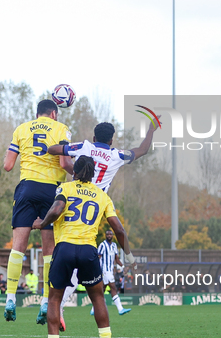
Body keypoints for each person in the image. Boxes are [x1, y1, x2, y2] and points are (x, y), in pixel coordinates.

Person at [48, 119, 158, 326]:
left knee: (65, 253)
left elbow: (53, 150)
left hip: (71, 201)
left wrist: (63, 144)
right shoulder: (117, 155)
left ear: (94, 138)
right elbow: (142, 150)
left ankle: (54, 304)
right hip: (96, 205)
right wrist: (152, 128)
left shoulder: (84, 146)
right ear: (112, 139)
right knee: (86, 264)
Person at [31, 156, 136, 338]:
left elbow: (57, 209)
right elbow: (119, 230)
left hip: (65, 250)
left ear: (74, 172)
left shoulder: (66, 188)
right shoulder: (102, 196)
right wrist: (129, 256)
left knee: (54, 298)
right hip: (88, 251)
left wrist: (41, 223)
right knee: (97, 298)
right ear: (93, 174)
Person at [2, 99, 74, 323]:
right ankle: (45, 302)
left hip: (26, 187)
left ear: (38, 113)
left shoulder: (21, 129)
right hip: (51, 190)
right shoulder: (61, 129)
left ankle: (10, 298)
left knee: (18, 247)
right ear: (53, 113)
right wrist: (81, 172)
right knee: (49, 251)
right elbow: (64, 164)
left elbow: (8, 165)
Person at [89, 230, 131, 316]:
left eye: (110, 234)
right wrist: (96, 269)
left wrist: (123, 267)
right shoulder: (102, 245)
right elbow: (98, 257)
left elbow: (117, 259)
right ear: (105, 235)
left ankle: (93, 309)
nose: (109, 235)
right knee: (113, 288)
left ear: (112, 235)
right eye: (107, 234)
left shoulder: (114, 245)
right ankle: (120, 309)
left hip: (110, 271)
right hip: (104, 271)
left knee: (102, 290)